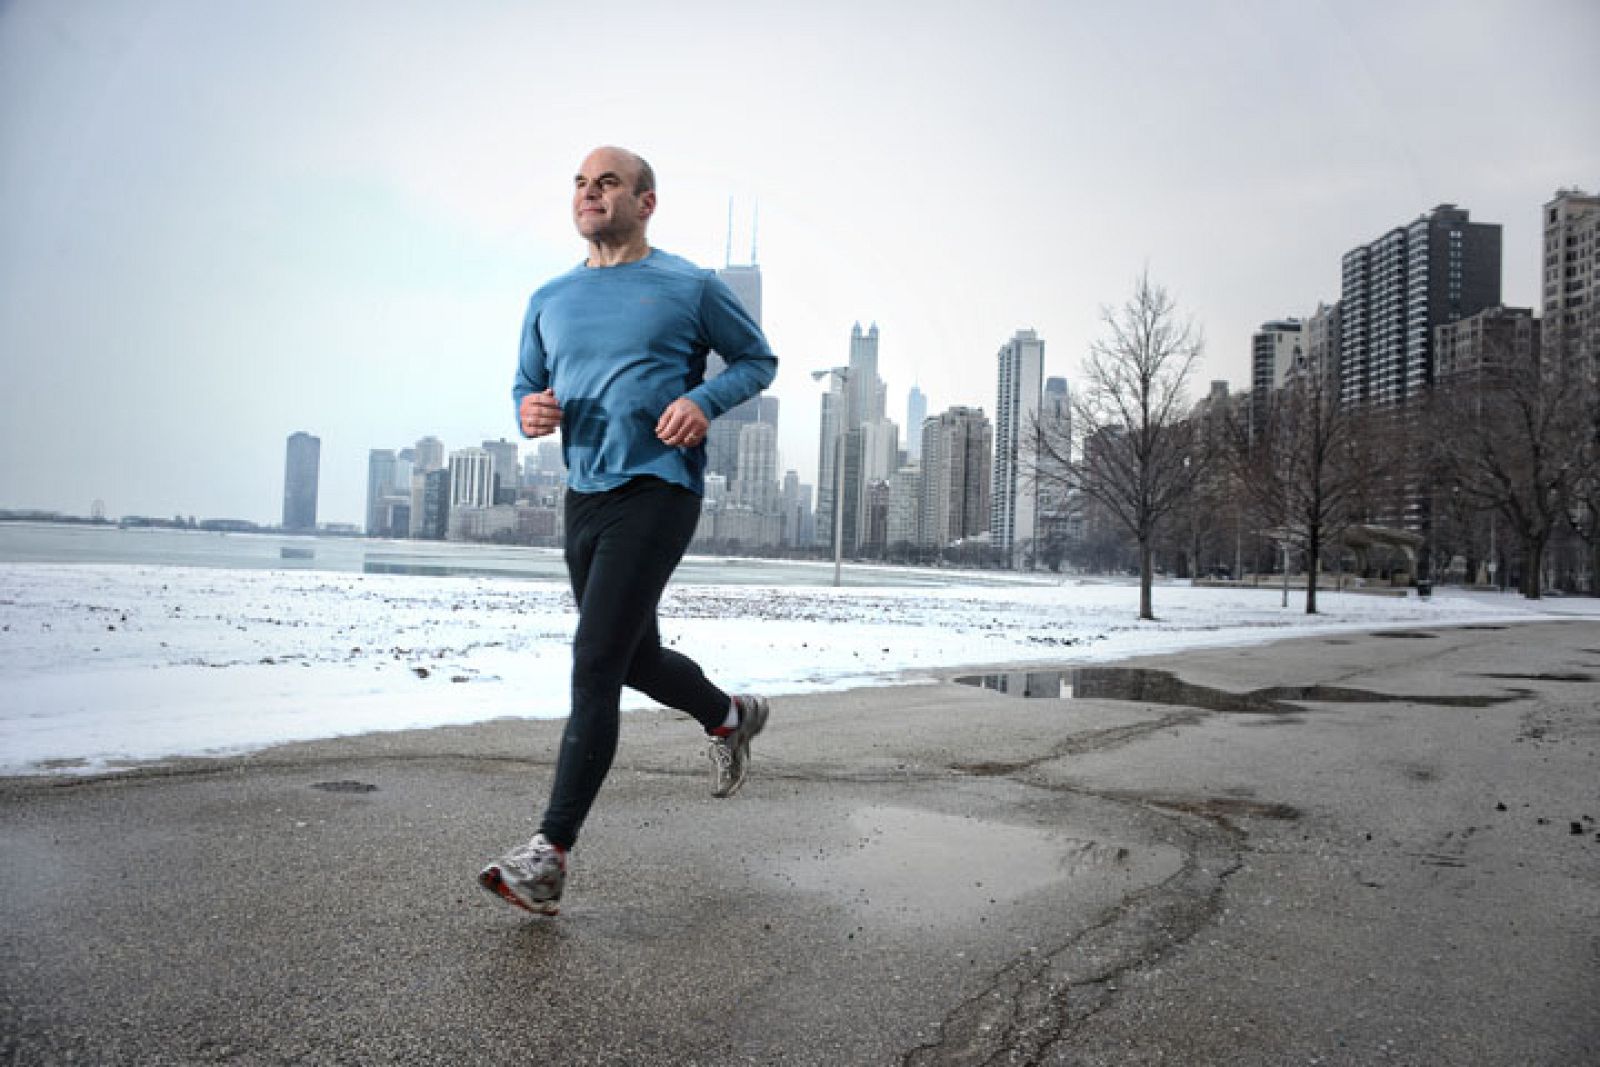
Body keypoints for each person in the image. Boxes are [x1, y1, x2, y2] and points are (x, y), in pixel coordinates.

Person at [478, 146, 778, 916]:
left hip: (660, 487)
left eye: (607, 182)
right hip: (585, 495)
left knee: (595, 658)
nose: (589, 193)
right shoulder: (549, 296)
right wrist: (529, 410)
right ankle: (730, 715)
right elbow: (526, 382)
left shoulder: (690, 285)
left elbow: (756, 358)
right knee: (632, 657)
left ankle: (549, 853)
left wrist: (705, 401)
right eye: (580, 183)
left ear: (645, 202)